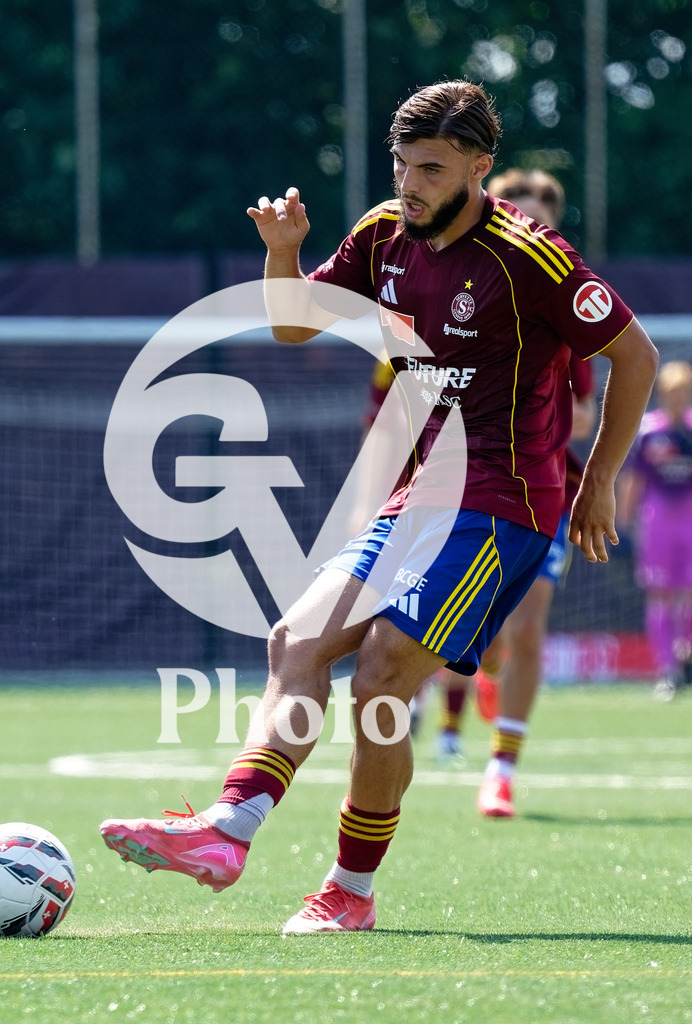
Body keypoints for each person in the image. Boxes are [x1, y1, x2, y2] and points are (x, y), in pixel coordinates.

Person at [100, 80, 658, 934]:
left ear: (481, 166)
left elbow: (637, 355)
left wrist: (595, 483)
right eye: (401, 164)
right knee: (296, 639)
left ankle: (348, 891)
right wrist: (283, 253)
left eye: (431, 167)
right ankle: (228, 830)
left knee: (384, 673)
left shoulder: (533, 257)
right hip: (420, 494)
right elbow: (293, 325)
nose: (411, 183)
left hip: (508, 502)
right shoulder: (380, 234)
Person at [431, 167, 598, 820]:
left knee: (527, 629)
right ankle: (467, 699)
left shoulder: (567, 305)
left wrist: (538, 414)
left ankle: (502, 768)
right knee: (478, 637)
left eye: (542, 222)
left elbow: (585, 411)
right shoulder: (457, 296)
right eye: (518, 218)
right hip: (470, 489)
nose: (531, 234)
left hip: (545, 491)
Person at [618, 360, 692, 700]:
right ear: (662, 394)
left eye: (685, 392)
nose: (679, 399)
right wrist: (623, 520)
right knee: (661, 594)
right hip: (659, 523)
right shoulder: (650, 431)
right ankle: (666, 669)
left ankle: (684, 654)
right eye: (673, 392)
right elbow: (635, 479)